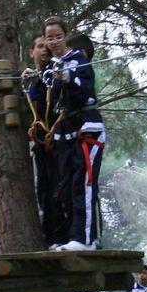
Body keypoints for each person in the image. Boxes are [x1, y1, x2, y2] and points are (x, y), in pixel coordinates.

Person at [42, 16, 104, 250]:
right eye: (50, 38)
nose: (55, 42)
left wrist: (69, 79)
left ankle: (85, 240)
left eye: (59, 36)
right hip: (66, 129)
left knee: (83, 183)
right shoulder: (51, 65)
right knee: (66, 187)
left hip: (87, 127)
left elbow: (84, 89)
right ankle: (74, 237)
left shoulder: (78, 59)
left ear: (66, 36)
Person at [22, 35, 62, 245]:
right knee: (44, 190)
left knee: (57, 190)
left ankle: (58, 236)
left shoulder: (54, 74)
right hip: (40, 144)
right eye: (40, 46)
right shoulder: (32, 78)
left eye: (47, 46)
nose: (45, 50)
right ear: (31, 52)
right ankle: (48, 236)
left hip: (56, 141)